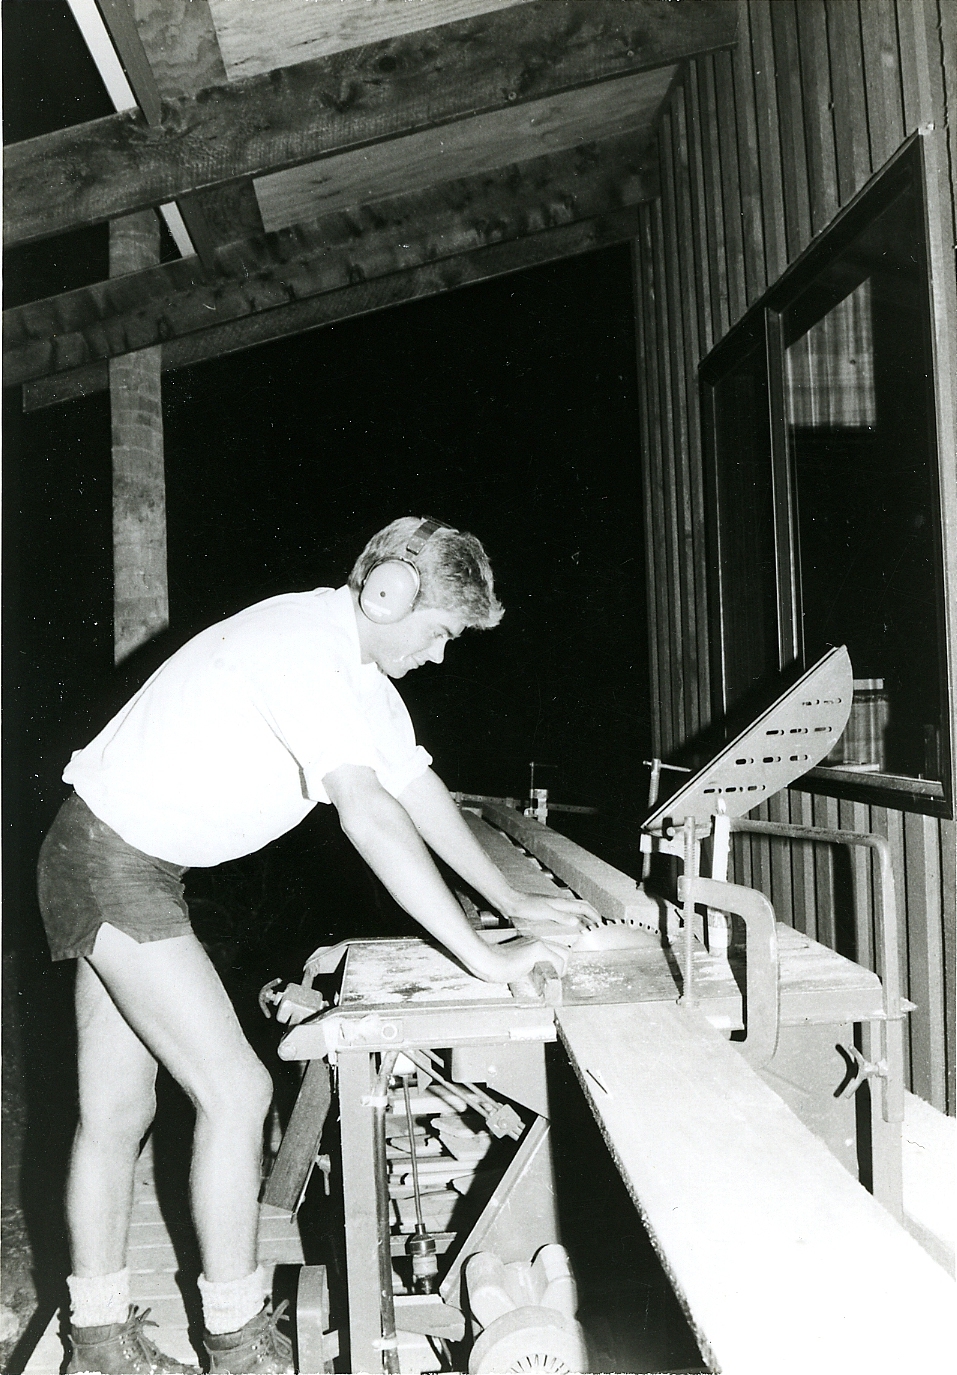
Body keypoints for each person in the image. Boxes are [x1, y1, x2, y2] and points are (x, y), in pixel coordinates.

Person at [37, 517, 596, 1374]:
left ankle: (97, 1342)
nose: (440, 654)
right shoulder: (302, 646)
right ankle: (236, 1342)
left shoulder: (356, 673)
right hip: (108, 862)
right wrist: (485, 956)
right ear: (388, 593)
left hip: (121, 858)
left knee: (117, 1111)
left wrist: (514, 903)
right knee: (236, 1090)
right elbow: (367, 812)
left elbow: (415, 788)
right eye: (440, 631)